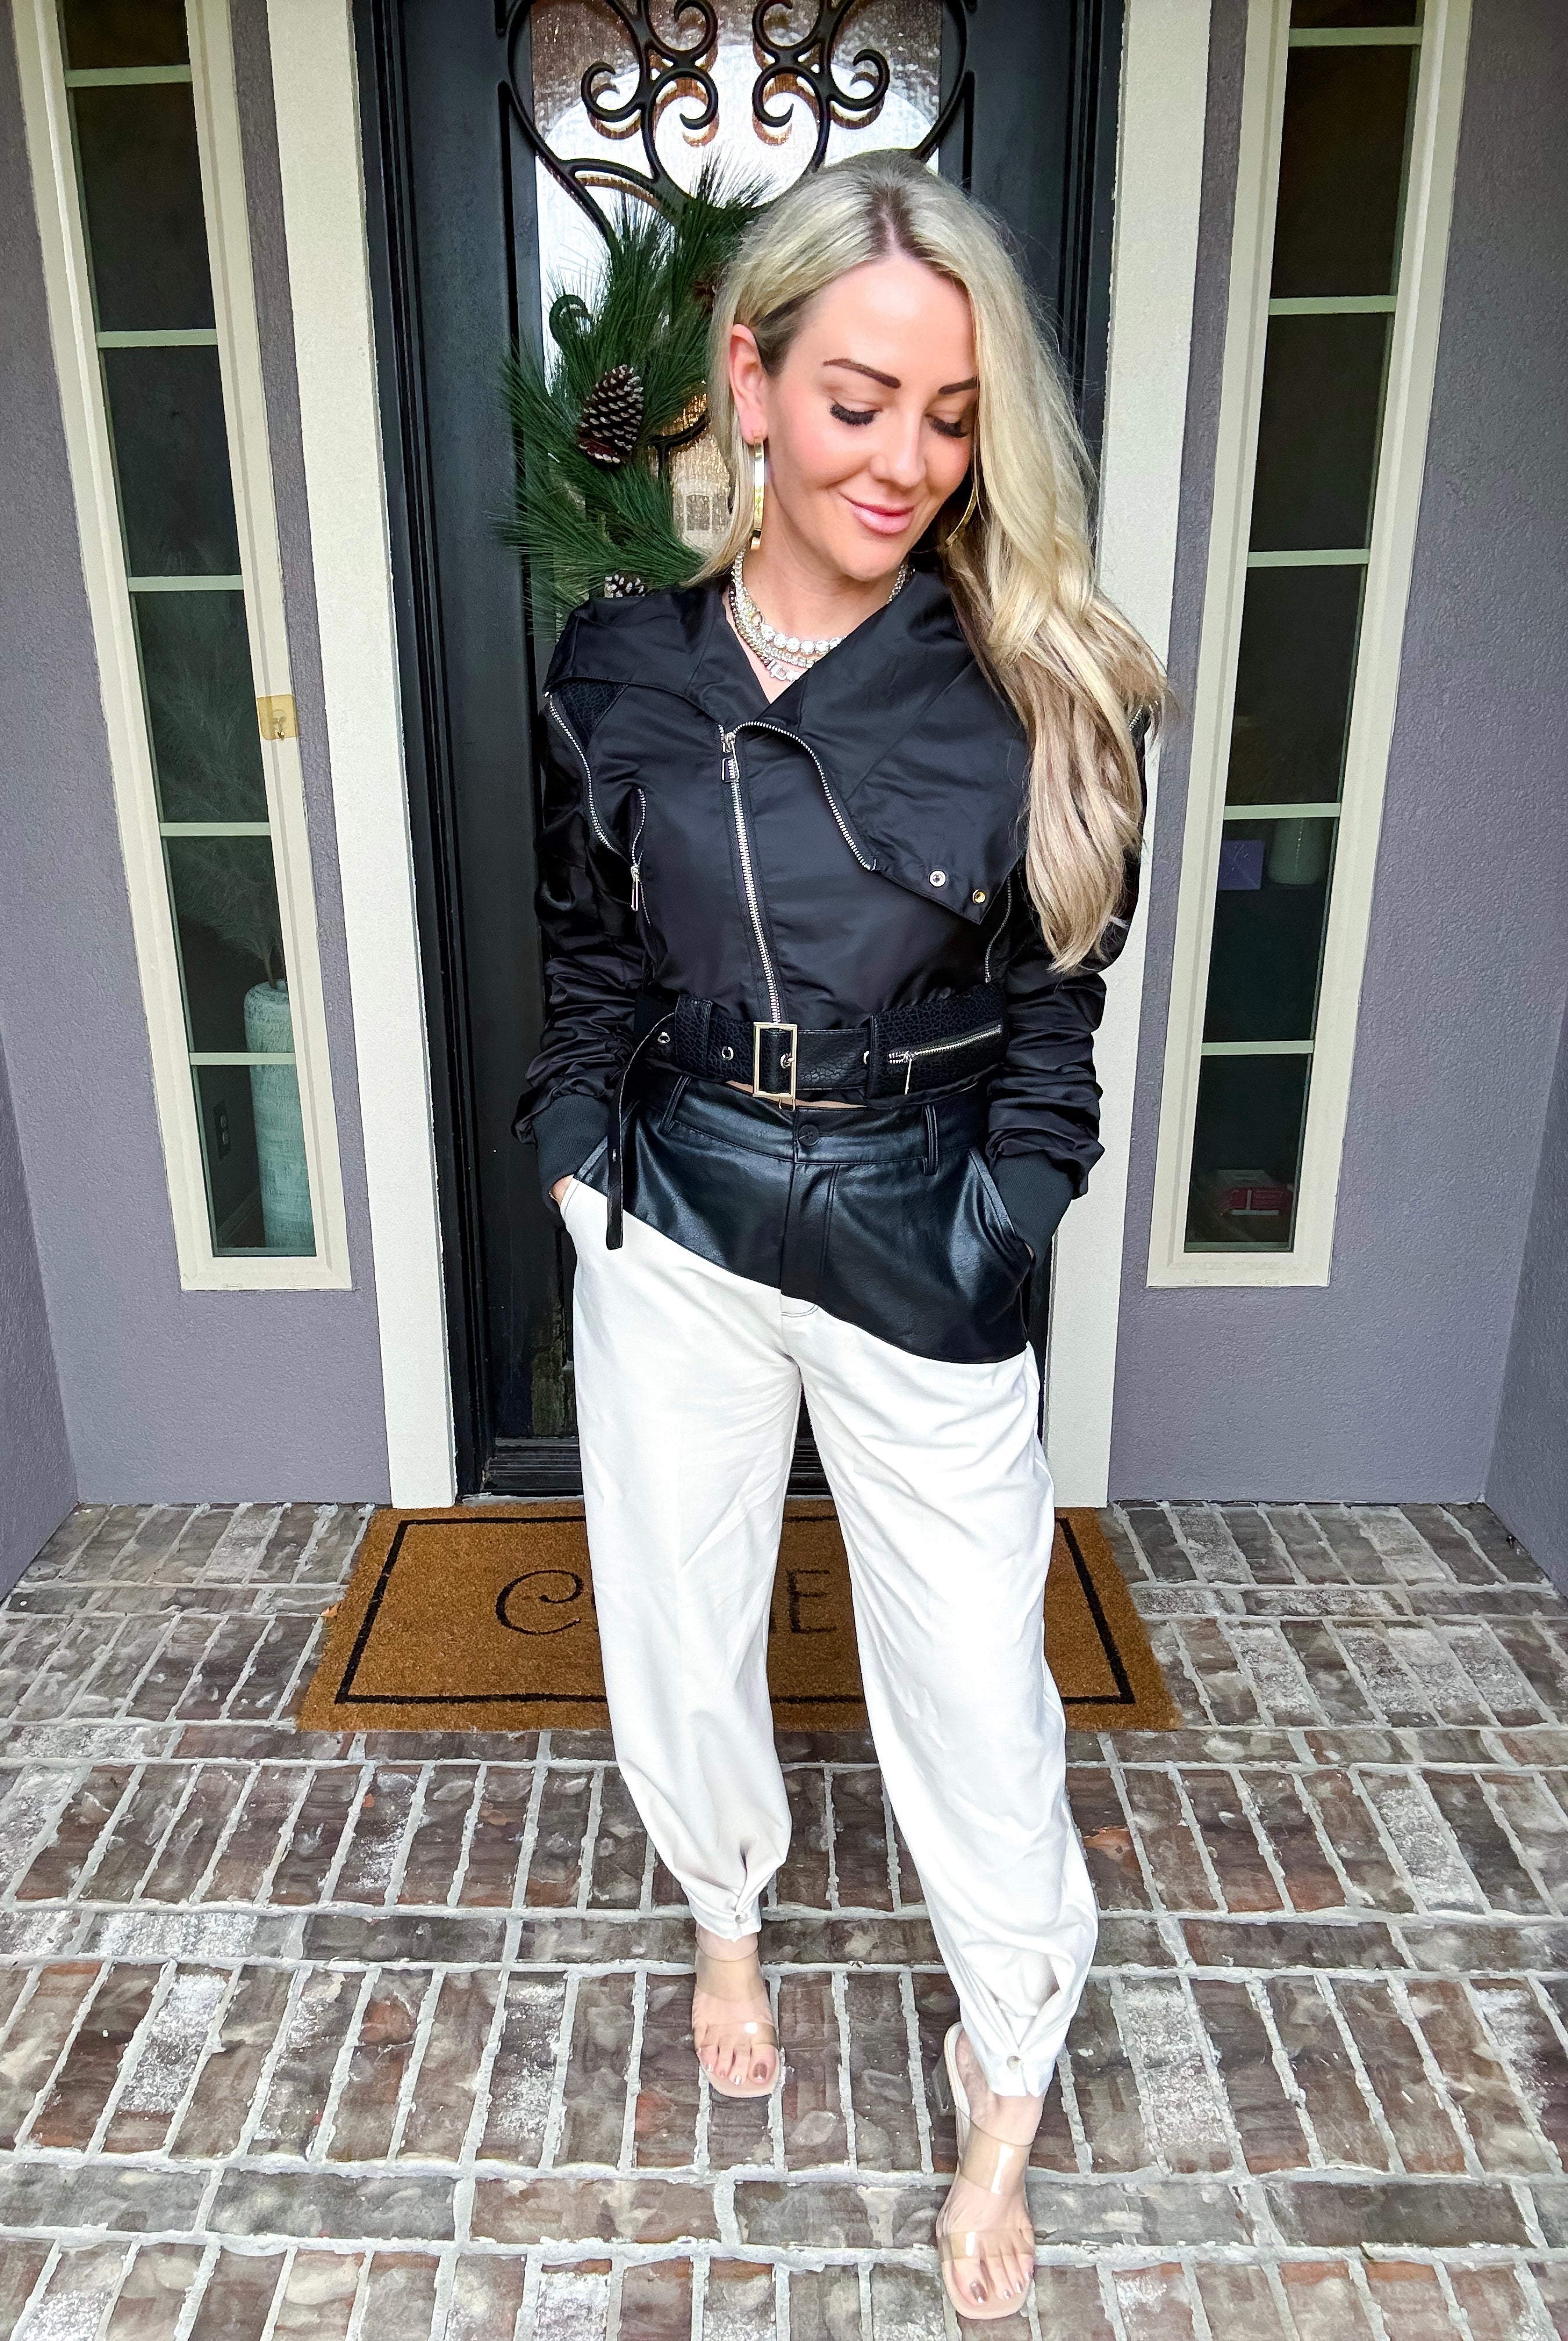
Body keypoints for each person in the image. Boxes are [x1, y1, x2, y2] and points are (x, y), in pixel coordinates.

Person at [515, 149, 1162, 2322]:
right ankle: (726, 1914)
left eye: (951, 417)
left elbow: (1056, 1017)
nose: (905, 460)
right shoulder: (618, 666)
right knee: (674, 1614)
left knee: (973, 1689)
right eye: (861, 400)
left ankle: (1006, 2079)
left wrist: (1008, 1216)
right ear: (752, 379)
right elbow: (590, 954)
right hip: (679, 1207)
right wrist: (581, 1158)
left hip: (916, 1221)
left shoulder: (1032, 678)